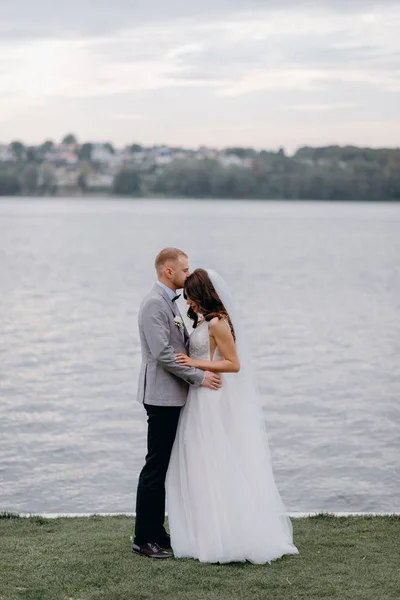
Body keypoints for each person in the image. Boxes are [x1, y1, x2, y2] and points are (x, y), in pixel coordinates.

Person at [166, 268, 299, 563]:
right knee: (199, 463)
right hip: (199, 397)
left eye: (193, 299)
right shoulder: (204, 320)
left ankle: (228, 534)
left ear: (203, 295)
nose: (191, 306)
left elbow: (233, 364)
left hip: (212, 400)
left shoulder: (217, 323)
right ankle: (204, 534)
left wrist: (194, 362)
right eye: (188, 301)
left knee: (216, 460)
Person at [132, 250, 222, 559]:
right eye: (184, 269)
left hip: (172, 395)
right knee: (155, 467)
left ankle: (156, 531)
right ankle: (144, 538)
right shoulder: (154, 304)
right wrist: (199, 377)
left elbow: (179, 348)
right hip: (161, 397)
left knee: (162, 467)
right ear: (168, 272)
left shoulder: (168, 303)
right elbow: (164, 356)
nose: (188, 273)